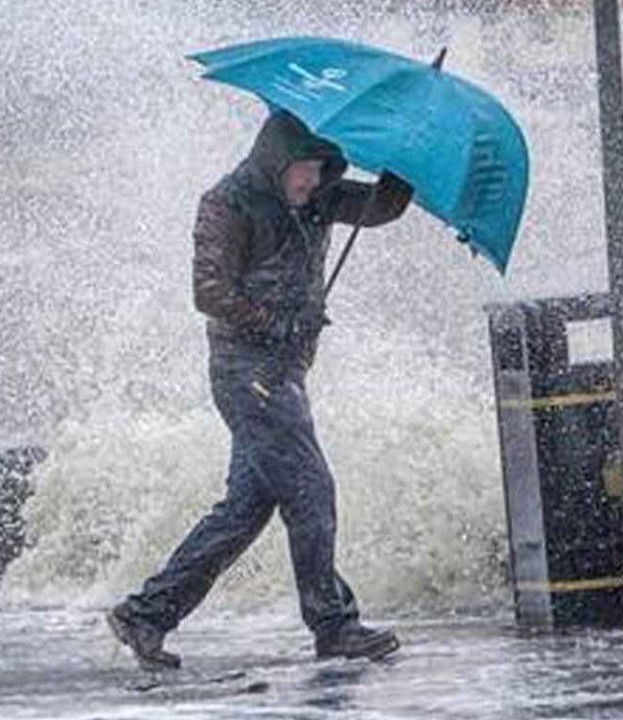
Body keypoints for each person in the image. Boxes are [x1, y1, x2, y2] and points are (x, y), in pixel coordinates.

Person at [107, 110, 413, 670]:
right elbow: (208, 291)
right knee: (311, 488)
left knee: (246, 508)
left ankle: (145, 615)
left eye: (323, 169)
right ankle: (334, 624)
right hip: (246, 372)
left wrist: (404, 161)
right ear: (277, 160)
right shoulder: (227, 203)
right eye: (304, 169)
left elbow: (381, 208)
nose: (312, 182)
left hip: (285, 373)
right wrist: (273, 321)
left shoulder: (319, 195)